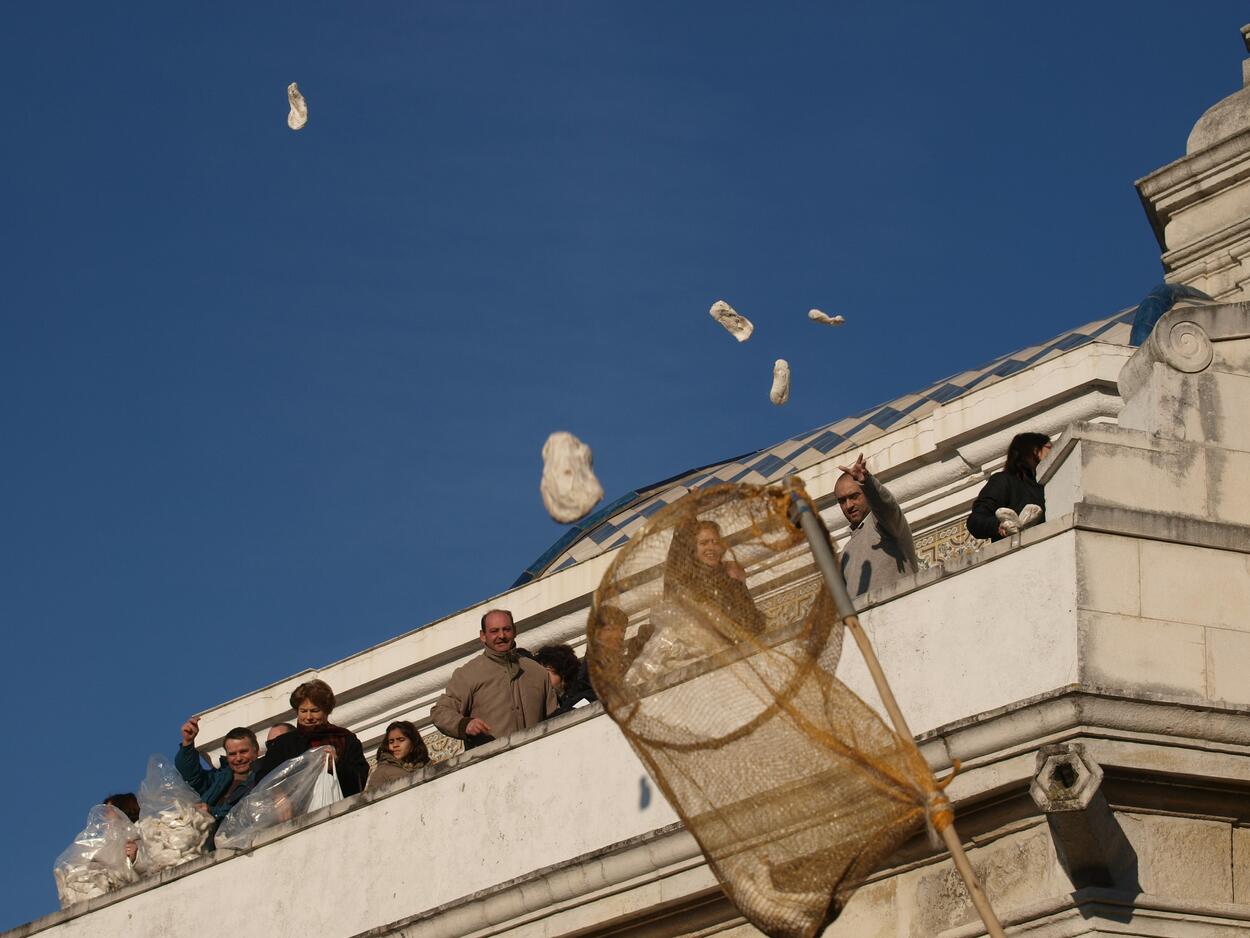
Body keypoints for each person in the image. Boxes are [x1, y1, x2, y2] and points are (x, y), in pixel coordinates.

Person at [431, 609, 557, 750]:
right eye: (494, 631)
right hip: (491, 764)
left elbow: (554, 718)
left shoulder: (537, 671)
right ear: (483, 636)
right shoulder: (468, 674)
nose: (501, 636)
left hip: (537, 756)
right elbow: (440, 711)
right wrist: (465, 724)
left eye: (506, 629)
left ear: (514, 631)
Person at [252, 679, 370, 797]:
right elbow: (264, 780)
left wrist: (337, 764)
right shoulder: (284, 744)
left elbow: (361, 780)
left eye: (315, 711)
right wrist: (279, 797)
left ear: (326, 711)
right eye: (303, 711)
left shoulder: (345, 739)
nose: (308, 717)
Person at [834, 453, 919, 597]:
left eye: (854, 496)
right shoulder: (845, 555)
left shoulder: (883, 522)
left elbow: (885, 505)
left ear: (866, 494)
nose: (848, 506)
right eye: (842, 501)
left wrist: (866, 482)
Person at [664, 517, 767, 635]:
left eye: (715, 542)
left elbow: (751, 622)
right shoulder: (689, 584)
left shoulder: (730, 573)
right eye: (704, 543)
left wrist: (737, 583)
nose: (711, 548)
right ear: (693, 549)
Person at [967, 433, 1052, 541]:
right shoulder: (1004, 481)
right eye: (1049, 447)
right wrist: (1001, 525)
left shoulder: (1047, 485)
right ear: (1035, 450)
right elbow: (976, 520)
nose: (1053, 451)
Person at [175, 718, 260, 823]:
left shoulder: (264, 775)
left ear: (256, 750)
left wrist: (211, 811)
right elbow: (191, 776)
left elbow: (247, 810)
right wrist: (188, 743)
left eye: (243, 751)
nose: (238, 758)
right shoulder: (218, 778)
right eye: (232, 754)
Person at [365, 721, 430, 792]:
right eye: (391, 741)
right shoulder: (382, 772)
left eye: (401, 740)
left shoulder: (427, 766)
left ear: (413, 743)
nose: (395, 745)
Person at [534, 643, 597, 714]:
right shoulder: (562, 702)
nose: (542, 682)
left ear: (562, 671)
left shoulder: (586, 694)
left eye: (545, 674)